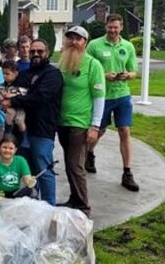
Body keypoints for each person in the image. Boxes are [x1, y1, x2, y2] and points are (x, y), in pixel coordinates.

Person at [0, 38, 62, 206]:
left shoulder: (52, 74)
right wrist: (7, 98)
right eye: (33, 51)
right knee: (26, 171)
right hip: (21, 133)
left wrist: (13, 101)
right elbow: (11, 89)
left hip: (42, 130)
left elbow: (38, 97)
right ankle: (31, 205)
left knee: (43, 169)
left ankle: (49, 207)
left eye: (39, 51)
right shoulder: (25, 74)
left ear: (47, 53)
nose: (35, 54)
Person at [86, 14, 139, 191]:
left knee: (124, 131)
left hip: (122, 94)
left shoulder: (127, 46)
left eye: (116, 27)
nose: (113, 30)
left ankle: (127, 172)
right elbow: (86, 68)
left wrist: (127, 76)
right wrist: (103, 75)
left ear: (121, 27)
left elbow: (133, 71)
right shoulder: (94, 45)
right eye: (110, 27)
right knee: (99, 131)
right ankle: (89, 153)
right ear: (106, 26)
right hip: (102, 95)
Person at [57, 26, 105, 217]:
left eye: (78, 39)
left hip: (81, 123)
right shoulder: (63, 62)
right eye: (70, 38)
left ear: (85, 42)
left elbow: (99, 96)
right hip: (62, 122)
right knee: (70, 164)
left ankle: (84, 207)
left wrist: (95, 125)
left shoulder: (93, 65)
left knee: (75, 164)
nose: (73, 42)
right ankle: (74, 199)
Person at [0, 135, 36, 201]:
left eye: (11, 148)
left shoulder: (21, 160)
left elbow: (27, 180)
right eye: (4, 147)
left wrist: (30, 182)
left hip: (15, 193)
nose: (7, 150)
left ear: (15, 150)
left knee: (32, 192)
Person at [0, 60, 27, 132]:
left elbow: (25, 93)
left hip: (20, 108)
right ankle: (8, 133)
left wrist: (12, 95)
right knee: (9, 115)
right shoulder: (2, 86)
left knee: (19, 120)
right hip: (8, 109)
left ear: (15, 73)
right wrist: (2, 96)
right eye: (3, 73)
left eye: (7, 74)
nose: (4, 76)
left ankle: (24, 135)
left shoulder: (21, 83)